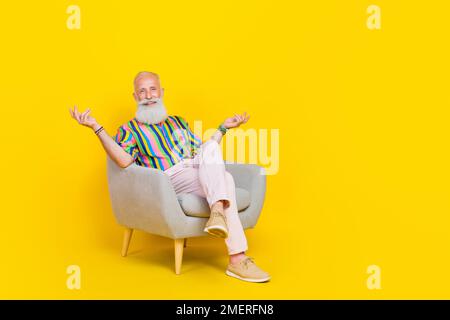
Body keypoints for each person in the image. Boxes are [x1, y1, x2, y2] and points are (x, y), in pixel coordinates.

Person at [69, 71, 270, 283]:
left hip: (192, 166)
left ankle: (219, 214)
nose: (149, 95)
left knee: (212, 150)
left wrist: (223, 128)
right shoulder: (129, 129)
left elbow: (201, 152)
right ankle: (237, 258)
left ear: (162, 92)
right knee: (226, 179)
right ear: (135, 97)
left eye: (153, 89)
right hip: (169, 177)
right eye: (142, 91)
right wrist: (96, 128)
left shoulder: (177, 122)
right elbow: (124, 162)